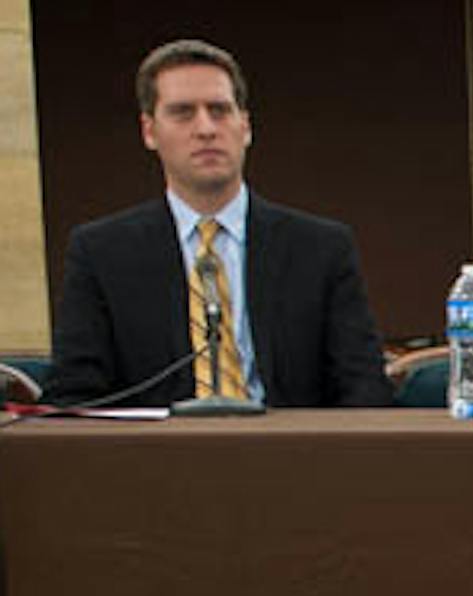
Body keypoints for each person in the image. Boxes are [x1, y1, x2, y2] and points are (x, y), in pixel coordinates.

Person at [48, 39, 391, 408]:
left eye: (219, 110)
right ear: (149, 131)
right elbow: (73, 395)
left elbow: (365, 388)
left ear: (245, 127)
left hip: (289, 456)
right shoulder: (102, 253)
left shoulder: (321, 248)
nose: (206, 128)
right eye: (183, 113)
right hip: (155, 459)